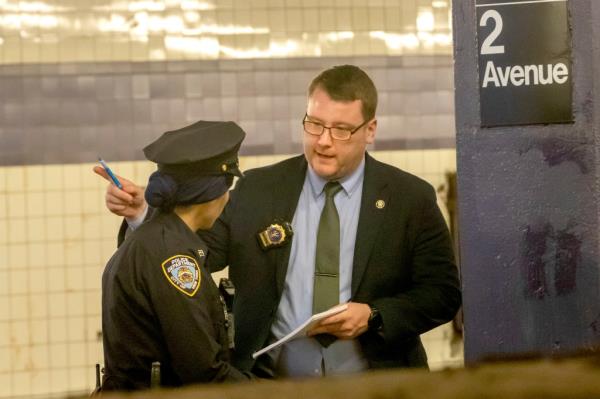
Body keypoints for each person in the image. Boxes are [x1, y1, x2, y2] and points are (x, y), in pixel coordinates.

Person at [96, 65, 461, 378]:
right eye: (314, 124)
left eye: (341, 129)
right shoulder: (258, 188)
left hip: (377, 380)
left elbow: (442, 293)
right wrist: (143, 214)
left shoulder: (409, 198)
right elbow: (200, 251)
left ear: (370, 129)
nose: (323, 141)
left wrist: (375, 315)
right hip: (272, 381)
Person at [98, 121, 253, 391]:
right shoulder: (174, 258)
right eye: (226, 190)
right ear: (212, 194)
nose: (227, 199)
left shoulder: (155, 239)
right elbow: (203, 371)